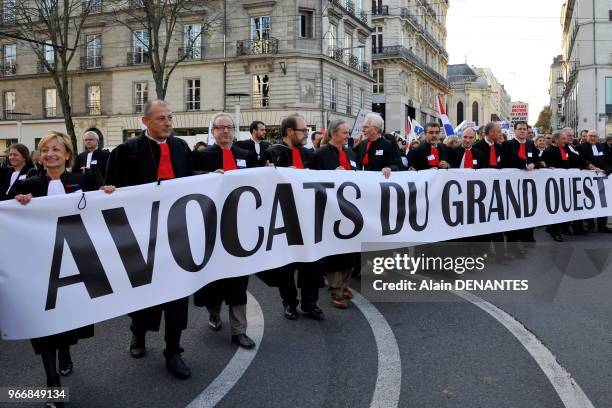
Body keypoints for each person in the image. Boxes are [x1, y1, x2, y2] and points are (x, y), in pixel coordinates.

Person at [7, 131, 115, 408]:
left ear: (67, 154)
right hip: (38, 263)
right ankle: (51, 380)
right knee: (43, 319)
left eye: (56, 149)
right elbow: (4, 213)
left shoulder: (85, 180)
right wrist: (18, 204)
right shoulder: (26, 184)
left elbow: (103, 205)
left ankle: (65, 350)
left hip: (74, 260)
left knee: (66, 315)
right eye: (45, 150)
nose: (50, 154)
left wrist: (108, 194)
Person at [105, 99, 193, 379]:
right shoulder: (127, 151)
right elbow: (111, 188)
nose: (168, 123)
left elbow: (192, 182)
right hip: (141, 237)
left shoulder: (181, 147)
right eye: (161, 118)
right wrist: (108, 190)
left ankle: (173, 352)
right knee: (144, 295)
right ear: (145, 122)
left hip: (177, 234)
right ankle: (138, 334)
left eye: (170, 117)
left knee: (178, 294)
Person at [192, 112, 258, 349]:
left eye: (229, 127)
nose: (225, 131)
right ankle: (214, 312)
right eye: (220, 128)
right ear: (213, 132)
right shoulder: (201, 156)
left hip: (241, 228)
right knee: (213, 279)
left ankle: (239, 330)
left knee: (239, 280)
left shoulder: (246, 155)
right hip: (211, 227)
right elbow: (187, 180)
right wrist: (207, 177)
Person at [260, 114, 325, 321]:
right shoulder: (272, 153)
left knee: (312, 262)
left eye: (307, 130)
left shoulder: (309, 154)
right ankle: (289, 302)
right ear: (289, 132)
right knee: (286, 265)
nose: (307, 134)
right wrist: (268, 173)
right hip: (283, 218)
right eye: (303, 130)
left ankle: (310, 302)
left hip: (308, 216)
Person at [312, 119, 360, 308]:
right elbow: (313, 181)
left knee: (351, 252)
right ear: (333, 134)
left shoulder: (350, 153)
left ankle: (345, 284)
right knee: (336, 253)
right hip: (332, 211)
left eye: (348, 133)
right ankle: (335, 290)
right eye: (344, 133)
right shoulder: (321, 154)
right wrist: (332, 174)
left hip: (352, 210)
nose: (347, 136)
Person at [473, 122, 510, 262]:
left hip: (497, 190)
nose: (500, 134)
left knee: (497, 222)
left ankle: (501, 255)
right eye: (498, 131)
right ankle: (483, 253)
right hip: (482, 192)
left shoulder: (499, 148)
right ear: (489, 133)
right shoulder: (477, 148)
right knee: (483, 224)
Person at [501, 121, 537, 249]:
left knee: (526, 212)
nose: (522, 131)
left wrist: (534, 164)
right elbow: (507, 161)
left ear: (527, 131)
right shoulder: (507, 144)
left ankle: (526, 238)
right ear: (515, 131)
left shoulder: (530, 144)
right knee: (513, 215)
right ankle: (512, 246)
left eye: (524, 129)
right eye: (520, 129)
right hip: (512, 186)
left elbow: (535, 159)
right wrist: (523, 165)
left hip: (527, 186)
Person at [577, 129, 612, 233]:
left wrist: (607, 170)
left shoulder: (602, 147)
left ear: (597, 137)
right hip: (587, 180)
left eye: (594, 136)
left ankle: (602, 225)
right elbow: (581, 160)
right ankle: (590, 224)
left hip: (602, 178)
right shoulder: (580, 147)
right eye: (590, 136)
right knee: (589, 202)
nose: (592, 138)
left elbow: (608, 160)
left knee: (603, 201)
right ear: (586, 137)